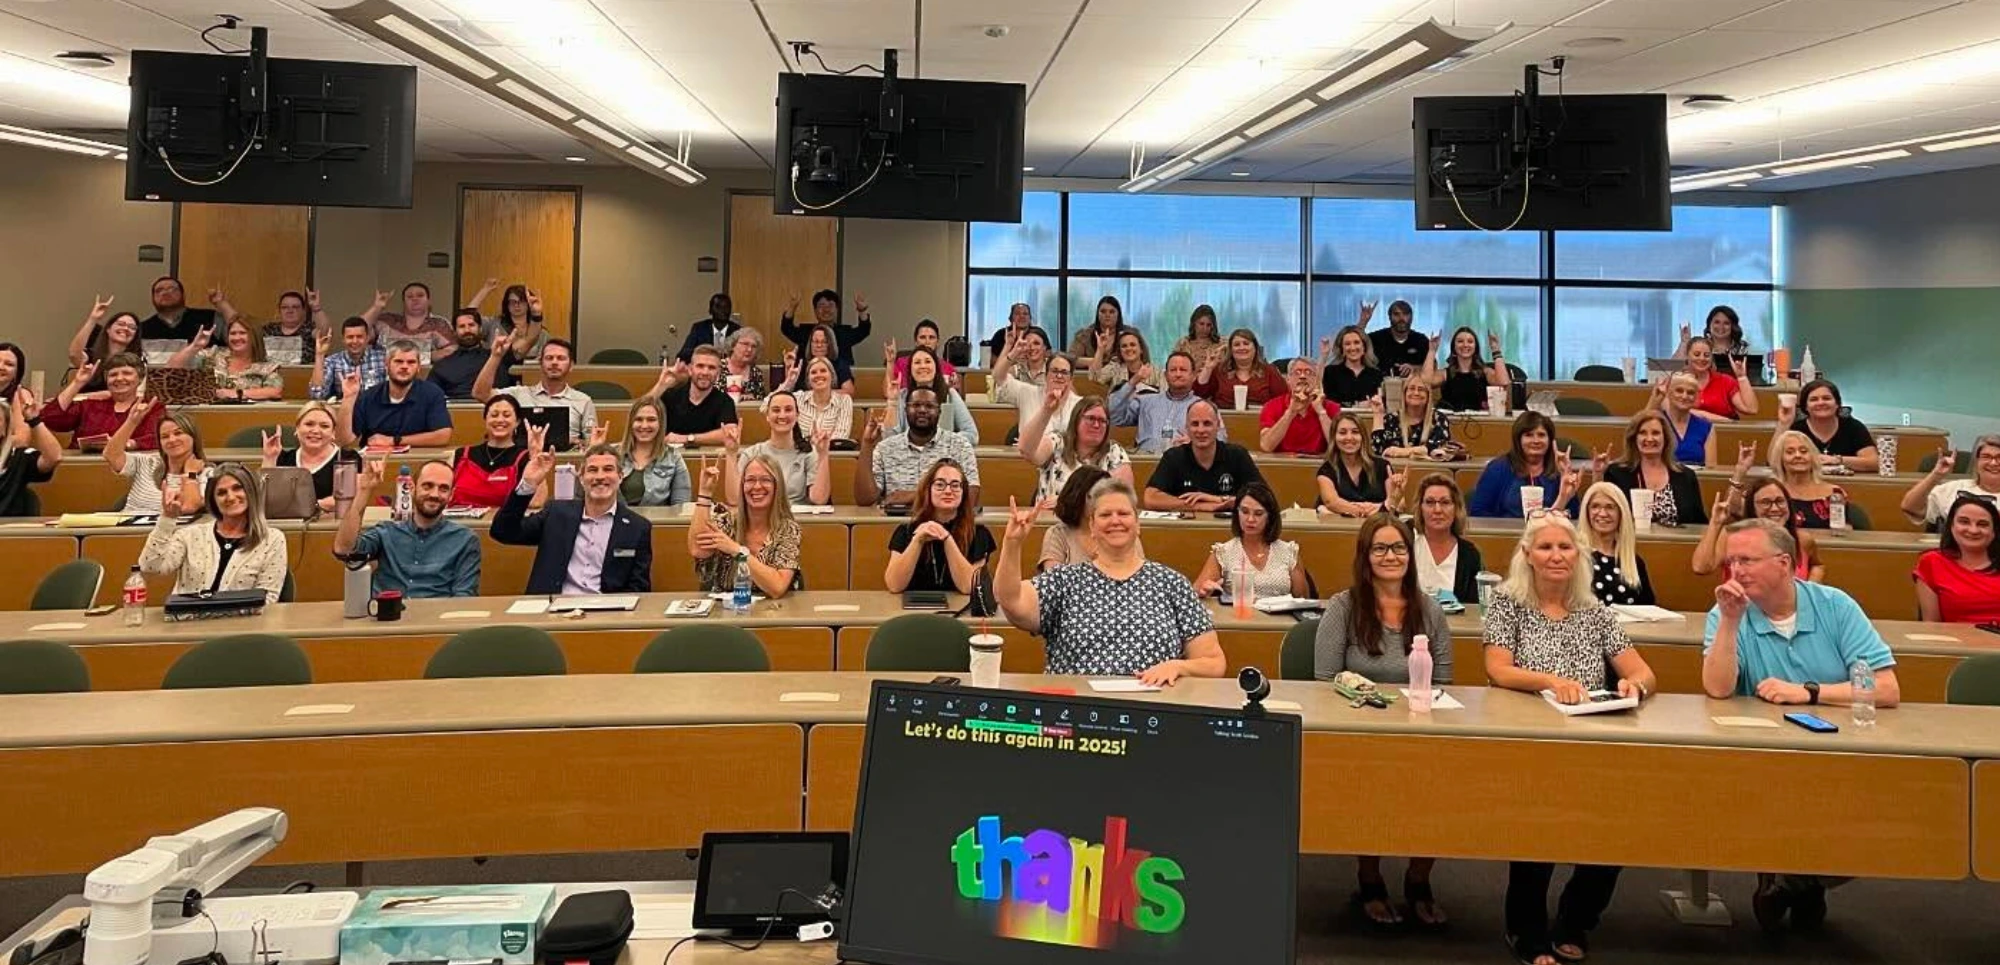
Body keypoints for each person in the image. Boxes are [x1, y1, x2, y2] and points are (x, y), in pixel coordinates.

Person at [1703, 516, 1899, 932]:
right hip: (1762, 756)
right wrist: (1731, 622)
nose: (1736, 570)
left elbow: (1885, 688)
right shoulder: (1724, 612)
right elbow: (1718, 689)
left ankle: (1794, 881)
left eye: (1747, 560)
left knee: (1888, 822)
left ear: (1785, 563)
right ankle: (1798, 879)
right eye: (1732, 561)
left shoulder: (1835, 606)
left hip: (1842, 751)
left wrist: (1809, 692)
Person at [1484, 511, 1656, 965]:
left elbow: (1643, 671)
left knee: (1609, 835)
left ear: (1578, 555)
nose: (1556, 555)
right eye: (1545, 547)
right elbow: (1498, 669)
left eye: (1565, 547)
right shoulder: (1507, 603)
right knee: (1538, 833)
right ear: (1528, 554)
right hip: (1531, 736)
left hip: (1593, 737)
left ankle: (1576, 920)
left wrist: (1634, 685)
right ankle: (1526, 930)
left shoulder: (1594, 611)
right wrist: (1550, 681)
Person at [1312, 512, 1452, 927]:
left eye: (1399, 548)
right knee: (1370, 784)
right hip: (1361, 730)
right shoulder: (1343, 607)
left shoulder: (1430, 610)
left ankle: (1418, 879)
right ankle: (1369, 878)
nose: (1391, 556)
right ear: (1365, 556)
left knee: (1441, 781)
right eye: (1380, 548)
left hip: (1420, 728)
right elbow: (1324, 683)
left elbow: (1445, 683)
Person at [995, 478, 1226, 683]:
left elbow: (1213, 662)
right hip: (1077, 707)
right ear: (1092, 527)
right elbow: (1011, 599)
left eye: (1123, 514)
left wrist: (1178, 666)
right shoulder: (1064, 581)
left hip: (1152, 706)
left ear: (1138, 524)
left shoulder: (1171, 583)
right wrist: (1012, 543)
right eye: (1105, 515)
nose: (1115, 521)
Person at [493, 444, 653, 595]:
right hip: (551, 606)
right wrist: (528, 484)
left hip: (606, 609)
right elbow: (503, 532)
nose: (600, 476)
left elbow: (639, 588)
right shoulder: (556, 514)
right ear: (581, 478)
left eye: (608, 469)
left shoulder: (638, 527)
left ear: (620, 477)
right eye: (592, 470)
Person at [333, 458, 481, 598]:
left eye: (443, 489)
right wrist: (364, 490)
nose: (434, 494)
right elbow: (343, 549)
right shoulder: (386, 532)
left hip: (437, 614)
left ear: (451, 495)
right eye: (427, 486)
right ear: (411, 488)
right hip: (387, 613)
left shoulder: (465, 540)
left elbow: (464, 598)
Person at [139, 464, 288, 603]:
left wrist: (220, 615)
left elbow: (267, 599)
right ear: (213, 500)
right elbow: (150, 567)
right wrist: (167, 519)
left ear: (251, 492)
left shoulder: (272, 539)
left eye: (237, 488)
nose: (230, 497)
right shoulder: (189, 535)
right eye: (221, 493)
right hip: (188, 620)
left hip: (243, 622)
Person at [690, 451, 802, 598]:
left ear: (777, 486)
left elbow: (777, 587)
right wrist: (704, 493)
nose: (757, 486)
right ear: (742, 486)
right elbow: (698, 550)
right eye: (750, 480)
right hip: (726, 609)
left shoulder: (788, 529)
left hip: (773, 610)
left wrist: (737, 551)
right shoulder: (727, 521)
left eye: (765, 480)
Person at [857, 386, 980, 507]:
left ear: (939, 412)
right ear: (905, 410)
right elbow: (865, 499)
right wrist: (867, 444)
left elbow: (972, 497)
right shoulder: (885, 448)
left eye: (929, 406)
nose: (922, 410)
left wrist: (913, 496)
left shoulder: (960, 445)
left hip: (944, 518)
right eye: (916, 405)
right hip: (896, 519)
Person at [884, 460, 993, 595]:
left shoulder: (979, 533)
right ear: (928, 490)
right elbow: (894, 585)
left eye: (955, 485)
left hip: (962, 607)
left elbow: (968, 587)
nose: (948, 491)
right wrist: (917, 541)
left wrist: (947, 539)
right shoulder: (906, 531)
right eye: (940, 485)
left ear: (963, 492)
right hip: (914, 607)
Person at [1695, 471, 1825, 582]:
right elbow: (1701, 567)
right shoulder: (1732, 537)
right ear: (1752, 507)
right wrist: (1715, 523)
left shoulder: (1803, 540)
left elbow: (1818, 565)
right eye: (1765, 502)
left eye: (1780, 501)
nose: (1774, 508)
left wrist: (1809, 591)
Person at [1192, 482, 1306, 600]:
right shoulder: (1224, 553)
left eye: (1258, 514)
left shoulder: (1288, 552)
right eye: (1245, 512)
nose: (1250, 519)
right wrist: (1203, 592)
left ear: (1270, 517)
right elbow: (1195, 593)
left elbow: (1302, 600)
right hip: (1237, 611)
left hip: (1281, 612)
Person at [1143, 400, 1261, 511]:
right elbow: (1150, 498)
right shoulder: (1173, 456)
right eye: (1195, 424)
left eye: (1207, 423)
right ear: (1187, 427)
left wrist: (1214, 499)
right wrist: (1199, 505)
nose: (1201, 430)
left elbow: (1262, 497)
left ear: (1218, 426)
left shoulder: (1237, 455)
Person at [477, 336, 595, 446]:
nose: (554, 362)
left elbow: (592, 443)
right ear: (541, 363)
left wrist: (577, 442)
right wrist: (495, 356)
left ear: (571, 365)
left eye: (561, 358)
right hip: (524, 456)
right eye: (549, 358)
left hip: (566, 459)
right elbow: (481, 394)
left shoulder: (583, 400)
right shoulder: (518, 394)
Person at [1601, 410, 1707, 529]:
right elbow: (1604, 513)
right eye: (1643, 433)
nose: (1650, 438)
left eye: (1656, 433)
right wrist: (1598, 475)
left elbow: (1699, 523)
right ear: (1634, 438)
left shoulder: (1686, 476)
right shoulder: (1617, 473)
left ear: (1666, 438)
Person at [338, 342, 453, 450]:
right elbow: (344, 441)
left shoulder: (432, 393)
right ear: (386, 364)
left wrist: (394, 440)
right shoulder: (369, 397)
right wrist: (348, 398)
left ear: (418, 367)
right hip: (374, 460)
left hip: (417, 459)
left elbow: (443, 436)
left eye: (411, 362)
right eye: (398, 361)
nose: (405, 366)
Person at [1469, 412, 1582, 518]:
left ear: (1550, 440)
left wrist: (1564, 486)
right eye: (1529, 435)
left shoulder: (1559, 469)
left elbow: (1574, 514)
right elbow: (1478, 512)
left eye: (1541, 435)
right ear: (1518, 440)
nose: (1536, 440)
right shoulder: (1497, 469)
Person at [730, 391, 833, 505]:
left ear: (797, 415)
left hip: (797, 515)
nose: (782, 415)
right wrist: (731, 453)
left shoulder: (808, 454)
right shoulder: (752, 453)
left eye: (788, 410)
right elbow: (734, 499)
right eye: (776, 410)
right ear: (767, 416)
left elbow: (819, 499)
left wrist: (823, 454)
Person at [1021, 395, 1130, 503]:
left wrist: (1065, 501)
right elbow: (1026, 450)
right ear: (1076, 420)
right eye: (1091, 418)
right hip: (1048, 514)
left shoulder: (1114, 452)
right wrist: (1047, 410)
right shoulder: (1058, 442)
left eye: (1102, 421)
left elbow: (1122, 497)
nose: (1096, 425)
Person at [105, 403, 207, 514]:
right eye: (165, 436)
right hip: (127, 523)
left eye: (178, 433)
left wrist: (191, 474)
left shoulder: (207, 474)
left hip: (167, 524)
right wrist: (132, 422)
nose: (172, 440)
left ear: (193, 437)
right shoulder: (147, 462)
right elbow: (111, 455)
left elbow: (189, 507)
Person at [1913, 495, 2000, 624]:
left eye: (1983, 524)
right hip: (1954, 637)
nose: (1973, 530)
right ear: (1951, 526)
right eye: (1964, 522)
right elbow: (1931, 625)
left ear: (1994, 532)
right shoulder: (1932, 562)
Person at [48, 355, 162, 451]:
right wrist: (77, 383)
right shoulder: (90, 405)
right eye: (113, 375)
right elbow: (51, 419)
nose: (119, 378)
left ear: (140, 379)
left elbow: (157, 439)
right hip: (84, 466)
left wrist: (125, 444)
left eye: (127, 373)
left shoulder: (152, 408)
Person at [1111, 352, 1219, 454]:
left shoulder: (1204, 408)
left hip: (1185, 460)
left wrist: (1196, 443)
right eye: (1173, 370)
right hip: (1146, 459)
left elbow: (1220, 439)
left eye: (1183, 370)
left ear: (1193, 376)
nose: (1178, 374)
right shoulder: (1145, 401)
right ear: (1165, 375)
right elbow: (1114, 416)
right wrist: (1134, 381)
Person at [259, 402, 354, 513]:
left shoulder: (347, 458)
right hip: (287, 521)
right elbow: (262, 498)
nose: (315, 431)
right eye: (309, 424)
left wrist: (311, 506)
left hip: (331, 522)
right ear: (297, 428)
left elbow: (343, 501)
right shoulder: (283, 458)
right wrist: (269, 458)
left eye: (324, 426)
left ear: (333, 432)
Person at [168, 316, 283, 401]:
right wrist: (195, 346)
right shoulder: (212, 355)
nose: (236, 338)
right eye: (233, 333)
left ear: (254, 336)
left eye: (242, 333)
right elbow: (172, 367)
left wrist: (236, 393)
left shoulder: (267, 365)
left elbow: (275, 391)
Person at [1579, 481, 1655, 605]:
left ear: (1621, 513)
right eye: (1595, 506)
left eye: (1610, 507)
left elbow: (1648, 607)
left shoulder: (1634, 562)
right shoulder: (1576, 556)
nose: (1602, 513)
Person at [450, 395, 531, 509]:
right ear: (485, 419)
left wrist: (535, 457)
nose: (500, 420)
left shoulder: (525, 457)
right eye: (494, 415)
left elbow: (535, 502)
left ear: (517, 422)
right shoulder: (461, 454)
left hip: (503, 519)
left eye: (506, 415)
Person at [649, 345, 740, 446]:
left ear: (718, 373)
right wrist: (661, 385)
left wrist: (687, 438)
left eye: (711, 368)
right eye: (700, 366)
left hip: (707, 455)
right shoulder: (671, 395)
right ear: (690, 369)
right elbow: (640, 411)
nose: (705, 372)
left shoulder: (724, 401)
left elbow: (730, 433)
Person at [1413, 473, 1483, 603]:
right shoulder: (1408, 544)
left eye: (1445, 502)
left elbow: (1473, 606)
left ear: (1456, 508)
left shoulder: (1470, 554)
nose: (1437, 510)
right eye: (1430, 502)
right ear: (1420, 508)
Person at [1902, 435, 2000, 528]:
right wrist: (1936, 475)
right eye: (1986, 457)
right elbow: (1909, 507)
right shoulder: (1954, 488)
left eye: (1999, 457)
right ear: (1976, 461)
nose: (1993, 463)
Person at [1781, 380, 1878, 472]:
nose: (1821, 403)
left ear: (1837, 404)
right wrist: (1784, 423)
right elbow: (1776, 462)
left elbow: (1874, 462)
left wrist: (1837, 460)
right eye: (1814, 399)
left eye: (1826, 398)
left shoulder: (1853, 427)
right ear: (1805, 406)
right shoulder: (1797, 429)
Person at [1317, 413, 1402, 517]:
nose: (1349, 437)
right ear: (1334, 437)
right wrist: (1376, 509)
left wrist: (1395, 493)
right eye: (1342, 433)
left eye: (1355, 432)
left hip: (1377, 524)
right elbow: (1331, 502)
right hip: (1341, 525)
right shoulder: (1327, 469)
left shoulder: (1382, 466)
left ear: (1363, 437)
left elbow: (1400, 505)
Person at [886, 346, 978, 443]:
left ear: (936, 367)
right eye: (917, 362)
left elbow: (971, 434)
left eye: (928, 361)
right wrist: (892, 402)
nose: (923, 366)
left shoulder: (949, 395)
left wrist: (939, 442)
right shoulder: (902, 396)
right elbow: (888, 439)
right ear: (910, 369)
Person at [612, 395, 691, 507]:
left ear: (660, 423)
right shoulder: (612, 454)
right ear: (631, 423)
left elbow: (681, 506)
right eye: (639, 419)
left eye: (651, 420)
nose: (644, 425)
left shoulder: (673, 457)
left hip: (657, 518)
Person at [1037, 465, 1112, 573]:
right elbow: (1053, 579)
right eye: (1095, 496)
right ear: (1078, 496)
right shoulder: (1058, 534)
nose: (1103, 502)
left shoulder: (1121, 532)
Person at [1259, 357, 1341, 456]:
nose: (1302, 376)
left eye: (1308, 372)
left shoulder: (1332, 407)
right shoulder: (1271, 406)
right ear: (1288, 379)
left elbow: (1339, 447)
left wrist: (1321, 412)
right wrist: (1290, 412)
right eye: (1297, 372)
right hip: (1283, 463)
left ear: (1317, 380)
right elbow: (1266, 446)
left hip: (1319, 463)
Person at [430, 311, 516, 400]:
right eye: (462, 326)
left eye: (471, 325)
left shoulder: (497, 358)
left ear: (480, 328)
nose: (467, 330)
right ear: (454, 332)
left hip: (495, 405)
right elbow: (431, 397)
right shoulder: (442, 365)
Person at [994, 345, 1079, 433]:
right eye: (1054, 371)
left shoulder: (1078, 404)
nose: (1059, 376)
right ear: (1046, 374)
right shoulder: (1026, 393)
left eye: (1064, 372)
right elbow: (998, 377)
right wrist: (1012, 351)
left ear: (1071, 378)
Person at [1767, 429, 1842, 529]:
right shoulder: (1769, 493)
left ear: (1813, 457)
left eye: (1804, 451)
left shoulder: (1834, 493)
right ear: (1780, 459)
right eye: (1790, 452)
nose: (1798, 456)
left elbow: (1845, 529)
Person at [1196, 328, 1286, 411]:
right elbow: (1199, 394)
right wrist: (1208, 368)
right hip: (1225, 419)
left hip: (1260, 419)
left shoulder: (1269, 371)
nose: (1242, 347)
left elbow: (1284, 400)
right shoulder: (1220, 370)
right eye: (1236, 345)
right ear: (1231, 350)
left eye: (1246, 343)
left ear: (1255, 348)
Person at [0, 395, 61, 516]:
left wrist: (34, 420)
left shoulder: (18, 457)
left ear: (5, 429)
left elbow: (54, 457)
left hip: (10, 527)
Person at [68, 296, 144, 391]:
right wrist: (93, 319)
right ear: (108, 329)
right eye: (120, 324)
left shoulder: (138, 361)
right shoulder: (92, 356)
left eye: (132, 327)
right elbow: (74, 355)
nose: (126, 328)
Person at [1425, 326, 1509, 412]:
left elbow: (1503, 382)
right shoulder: (1445, 373)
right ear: (1454, 347)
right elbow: (1426, 382)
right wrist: (1432, 350)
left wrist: (1495, 349)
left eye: (1470, 341)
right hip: (1451, 419)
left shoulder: (1486, 372)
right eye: (1460, 341)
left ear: (1475, 347)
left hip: (1480, 419)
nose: (1465, 345)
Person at [780, 289, 870, 366]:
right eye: (822, 305)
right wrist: (792, 307)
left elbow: (864, 330)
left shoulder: (845, 332)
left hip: (842, 377)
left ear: (837, 310)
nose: (826, 309)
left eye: (830, 305)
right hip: (809, 376)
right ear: (815, 310)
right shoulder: (806, 331)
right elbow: (787, 328)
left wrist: (862, 310)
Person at [1369, 377, 1450, 459]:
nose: (1416, 393)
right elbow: (1377, 449)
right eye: (1411, 388)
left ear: (1428, 395)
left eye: (1421, 389)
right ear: (1404, 393)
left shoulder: (1439, 418)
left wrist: (1401, 452)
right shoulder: (1391, 419)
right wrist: (1378, 414)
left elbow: (1439, 448)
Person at [312, 316, 389, 401]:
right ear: (343, 339)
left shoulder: (383, 358)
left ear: (367, 338)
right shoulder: (333, 361)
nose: (355, 341)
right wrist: (319, 355)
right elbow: (317, 395)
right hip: (345, 407)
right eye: (350, 337)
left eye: (359, 337)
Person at [1682, 336, 1757, 420]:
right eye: (1697, 354)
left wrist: (1742, 377)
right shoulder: (1677, 382)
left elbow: (1751, 409)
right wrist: (1707, 415)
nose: (1702, 358)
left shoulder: (1725, 381)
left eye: (1707, 355)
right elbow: (1672, 410)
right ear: (1687, 356)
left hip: (1725, 428)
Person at [374, 282, 455, 359]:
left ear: (428, 301)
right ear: (404, 302)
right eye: (409, 296)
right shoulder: (388, 320)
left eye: (420, 295)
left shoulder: (439, 324)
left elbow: (452, 351)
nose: (415, 299)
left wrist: (423, 357)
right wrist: (377, 307)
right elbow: (366, 330)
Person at [138, 276, 225, 343]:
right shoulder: (142, 329)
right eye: (159, 290)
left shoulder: (209, 317)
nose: (165, 293)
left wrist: (222, 304)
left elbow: (233, 332)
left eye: (172, 289)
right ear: (153, 299)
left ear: (183, 295)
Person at [987, 325, 1052, 409]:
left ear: (1045, 347)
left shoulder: (1053, 367)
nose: (1032, 347)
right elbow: (997, 375)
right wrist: (1009, 345)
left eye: (1036, 343)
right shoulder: (1018, 368)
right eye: (1027, 344)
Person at [793, 357, 854, 442]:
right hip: (800, 449)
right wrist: (789, 382)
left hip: (831, 450)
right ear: (808, 379)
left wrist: (818, 444)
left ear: (832, 376)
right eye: (813, 372)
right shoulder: (798, 398)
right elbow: (772, 402)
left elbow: (841, 436)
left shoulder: (844, 400)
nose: (818, 375)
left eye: (823, 371)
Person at [1363, 300, 1429, 377]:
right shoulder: (1376, 338)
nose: (1401, 318)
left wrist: (1414, 368)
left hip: (1413, 383)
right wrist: (1363, 322)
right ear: (1389, 317)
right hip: (1382, 383)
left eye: (1405, 314)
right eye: (1396, 314)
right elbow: (1356, 341)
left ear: (1411, 317)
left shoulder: (1421, 340)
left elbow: (1433, 365)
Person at [480, 284, 547, 359]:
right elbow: (470, 317)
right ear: (506, 304)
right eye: (512, 302)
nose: (517, 305)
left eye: (521, 301)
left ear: (529, 303)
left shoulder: (540, 332)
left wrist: (536, 313)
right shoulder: (493, 324)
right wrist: (484, 290)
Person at [1320, 324, 1382, 406]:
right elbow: (1326, 401)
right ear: (1342, 349)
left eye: (1356, 343)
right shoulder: (1330, 372)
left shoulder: (1376, 375)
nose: (1352, 348)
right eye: (1347, 344)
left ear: (1364, 347)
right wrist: (1323, 356)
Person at [259, 290, 326, 365]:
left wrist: (316, 307)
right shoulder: (268, 329)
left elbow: (325, 334)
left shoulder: (309, 329)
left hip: (304, 372)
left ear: (303, 311)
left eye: (295, 307)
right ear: (279, 311)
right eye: (284, 307)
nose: (290, 311)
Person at [1068, 295, 1128, 374]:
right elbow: (1070, 359)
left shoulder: (1129, 334)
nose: (1107, 315)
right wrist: (1095, 360)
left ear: (1118, 314)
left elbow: (1141, 359)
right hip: (1089, 378)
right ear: (1097, 314)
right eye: (1103, 311)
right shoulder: (1085, 335)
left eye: (1112, 312)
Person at [676, 292, 743, 362]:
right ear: (710, 310)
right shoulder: (699, 328)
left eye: (726, 307)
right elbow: (683, 355)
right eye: (718, 307)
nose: (723, 310)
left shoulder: (737, 331)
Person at [888, 320, 958, 384]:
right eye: (922, 337)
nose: (927, 342)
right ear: (916, 342)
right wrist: (890, 362)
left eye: (931, 337)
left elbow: (954, 391)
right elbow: (888, 389)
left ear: (937, 342)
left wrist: (953, 386)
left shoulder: (948, 367)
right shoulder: (901, 363)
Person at [1675, 305, 1750, 361]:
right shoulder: (1699, 346)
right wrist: (1684, 343)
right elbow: (1673, 368)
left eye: (1726, 323)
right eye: (1717, 322)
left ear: (1733, 326)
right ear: (1709, 325)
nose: (1721, 327)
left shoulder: (1744, 347)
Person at [1095, 328, 1157, 395]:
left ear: (1141, 349)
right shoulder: (1114, 367)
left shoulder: (1155, 372)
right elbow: (1095, 378)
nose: (1128, 348)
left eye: (1132, 345)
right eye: (1124, 346)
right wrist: (1100, 349)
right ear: (1120, 351)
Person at [717, 327, 768, 403]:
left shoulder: (756, 372)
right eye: (745, 344)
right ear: (733, 345)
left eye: (753, 346)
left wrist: (752, 398)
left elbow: (761, 401)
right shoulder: (717, 367)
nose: (749, 349)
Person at [1169, 304, 1225, 373]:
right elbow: (1173, 365)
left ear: (1213, 326)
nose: (1205, 328)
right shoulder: (1183, 344)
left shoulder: (1221, 345)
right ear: (1194, 323)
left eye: (1208, 325)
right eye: (1201, 324)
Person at [983, 302, 1034, 368]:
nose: (1022, 316)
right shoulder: (1001, 334)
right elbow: (990, 358)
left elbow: (1046, 354)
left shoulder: (1038, 334)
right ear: (1011, 318)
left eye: (1025, 314)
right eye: (1017, 314)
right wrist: (1011, 364)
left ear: (1030, 318)